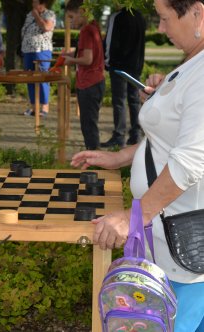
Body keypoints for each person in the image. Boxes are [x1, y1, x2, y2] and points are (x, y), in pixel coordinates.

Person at [71, 0, 204, 330]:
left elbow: (190, 161)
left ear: (198, 13)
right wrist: (120, 157)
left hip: (185, 247)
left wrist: (134, 216)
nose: (160, 28)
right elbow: (170, 140)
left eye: (164, 18)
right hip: (168, 239)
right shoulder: (194, 63)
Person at [101, 5, 146, 148]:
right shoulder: (139, 17)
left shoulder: (117, 16)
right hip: (135, 67)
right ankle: (136, 134)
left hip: (119, 67)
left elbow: (109, 42)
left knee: (119, 102)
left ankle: (119, 136)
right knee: (134, 101)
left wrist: (108, 62)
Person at [63, 0, 105, 151]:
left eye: (71, 16)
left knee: (88, 126)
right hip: (96, 82)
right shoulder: (93, 26)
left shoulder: (86, 30)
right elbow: (90, 53)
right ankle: (93, 156)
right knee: (90, 124)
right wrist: (72, 54)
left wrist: (70, 60)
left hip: (89, 84)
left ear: (81, 12)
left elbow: (88, 59)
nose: (70, 21)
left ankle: (94, 160)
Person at [21, 0, 55, 117]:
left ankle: (44, 106)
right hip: (27, 50)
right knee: (30, 78)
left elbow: (46, 27)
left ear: (42, 3)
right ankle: (34, 106)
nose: (32, 5)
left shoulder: (49, 14)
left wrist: (37, 17)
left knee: (42, 77)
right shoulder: (29, 15)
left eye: (35, 2)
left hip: (41, 50)